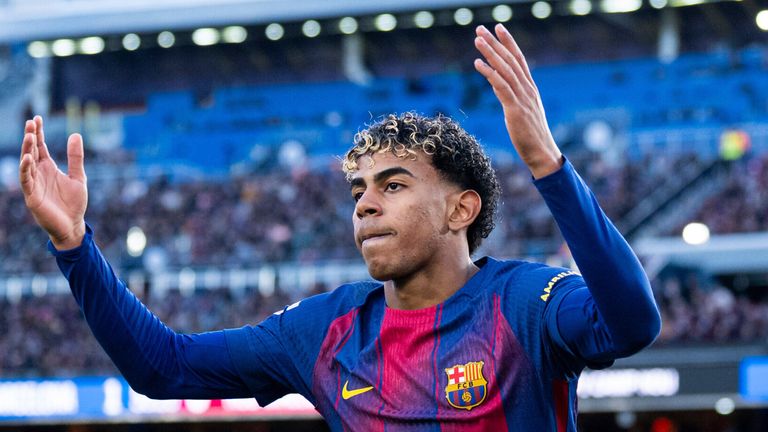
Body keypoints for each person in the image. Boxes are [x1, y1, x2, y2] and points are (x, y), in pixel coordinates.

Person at [19, 24, 660, 431]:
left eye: (394, 185)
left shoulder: (523, 303)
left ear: (460, 210)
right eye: (359, 190)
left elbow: (633, 323)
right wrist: (75, 244)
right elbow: (163, 368)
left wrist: (547, 165)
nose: (365, 205)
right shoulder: (323, 332)